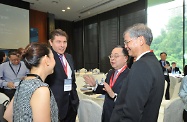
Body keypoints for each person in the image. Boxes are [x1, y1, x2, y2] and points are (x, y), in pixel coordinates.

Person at [110, 23, 165, 122]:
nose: (125, 46)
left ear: (141, 40)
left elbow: (132, 110)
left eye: (127, 42)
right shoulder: (154, 63)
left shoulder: (141, 65)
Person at [3, 43, 58, 122]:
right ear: (46, 60)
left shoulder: (23, 83)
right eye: (53, 57)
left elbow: (7, 116)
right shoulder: (41, 90)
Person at [83, 45, 129, 122]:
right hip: (107, 114)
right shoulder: (111, 72)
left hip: (120, 117)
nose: (112, 58)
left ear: (125, 58)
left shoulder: (130, 75)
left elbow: (129, 101)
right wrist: (95, 85)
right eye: (111, 56)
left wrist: (113, 95)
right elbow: (106, 90)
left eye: (116, 56)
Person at [46, 29, 79, 122]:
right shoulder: (47, 58)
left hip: (71, 103)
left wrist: (75, 99)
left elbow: (72, 80)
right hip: (56, 104)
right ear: (51, 42)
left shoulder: (69, 57)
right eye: (58, 42)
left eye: (64, 42)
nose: (62, 45)